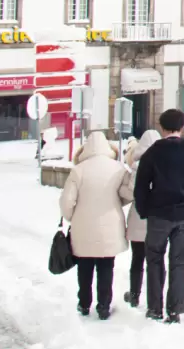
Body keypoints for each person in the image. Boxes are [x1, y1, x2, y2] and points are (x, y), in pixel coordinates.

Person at [133, 108, 184, 324]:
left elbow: (141, 186)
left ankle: (155, 308)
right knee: (179, 262)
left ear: (161, 127)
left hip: (158, 215)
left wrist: (144, 210)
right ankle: (175, 310)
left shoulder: (153, 153)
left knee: (154, 259)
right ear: (182, 127)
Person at [58, 130, 130, 320]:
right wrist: (117, 203)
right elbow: (130, 193)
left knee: (84, 267)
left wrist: (72, 217)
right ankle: (104, 306)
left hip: (83, 228)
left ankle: (84, 304)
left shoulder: (78, 170)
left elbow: (66, 201)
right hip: (110, 227)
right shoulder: (118, 168)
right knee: (106, 267)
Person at [119, 129, 160, 309]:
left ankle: (134, 295)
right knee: (155, 262)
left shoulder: (138, 167)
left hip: (138, 218)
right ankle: (155, 297)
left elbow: (130, 193)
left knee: (137, 260)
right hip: (158, 220)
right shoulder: (164, 166)